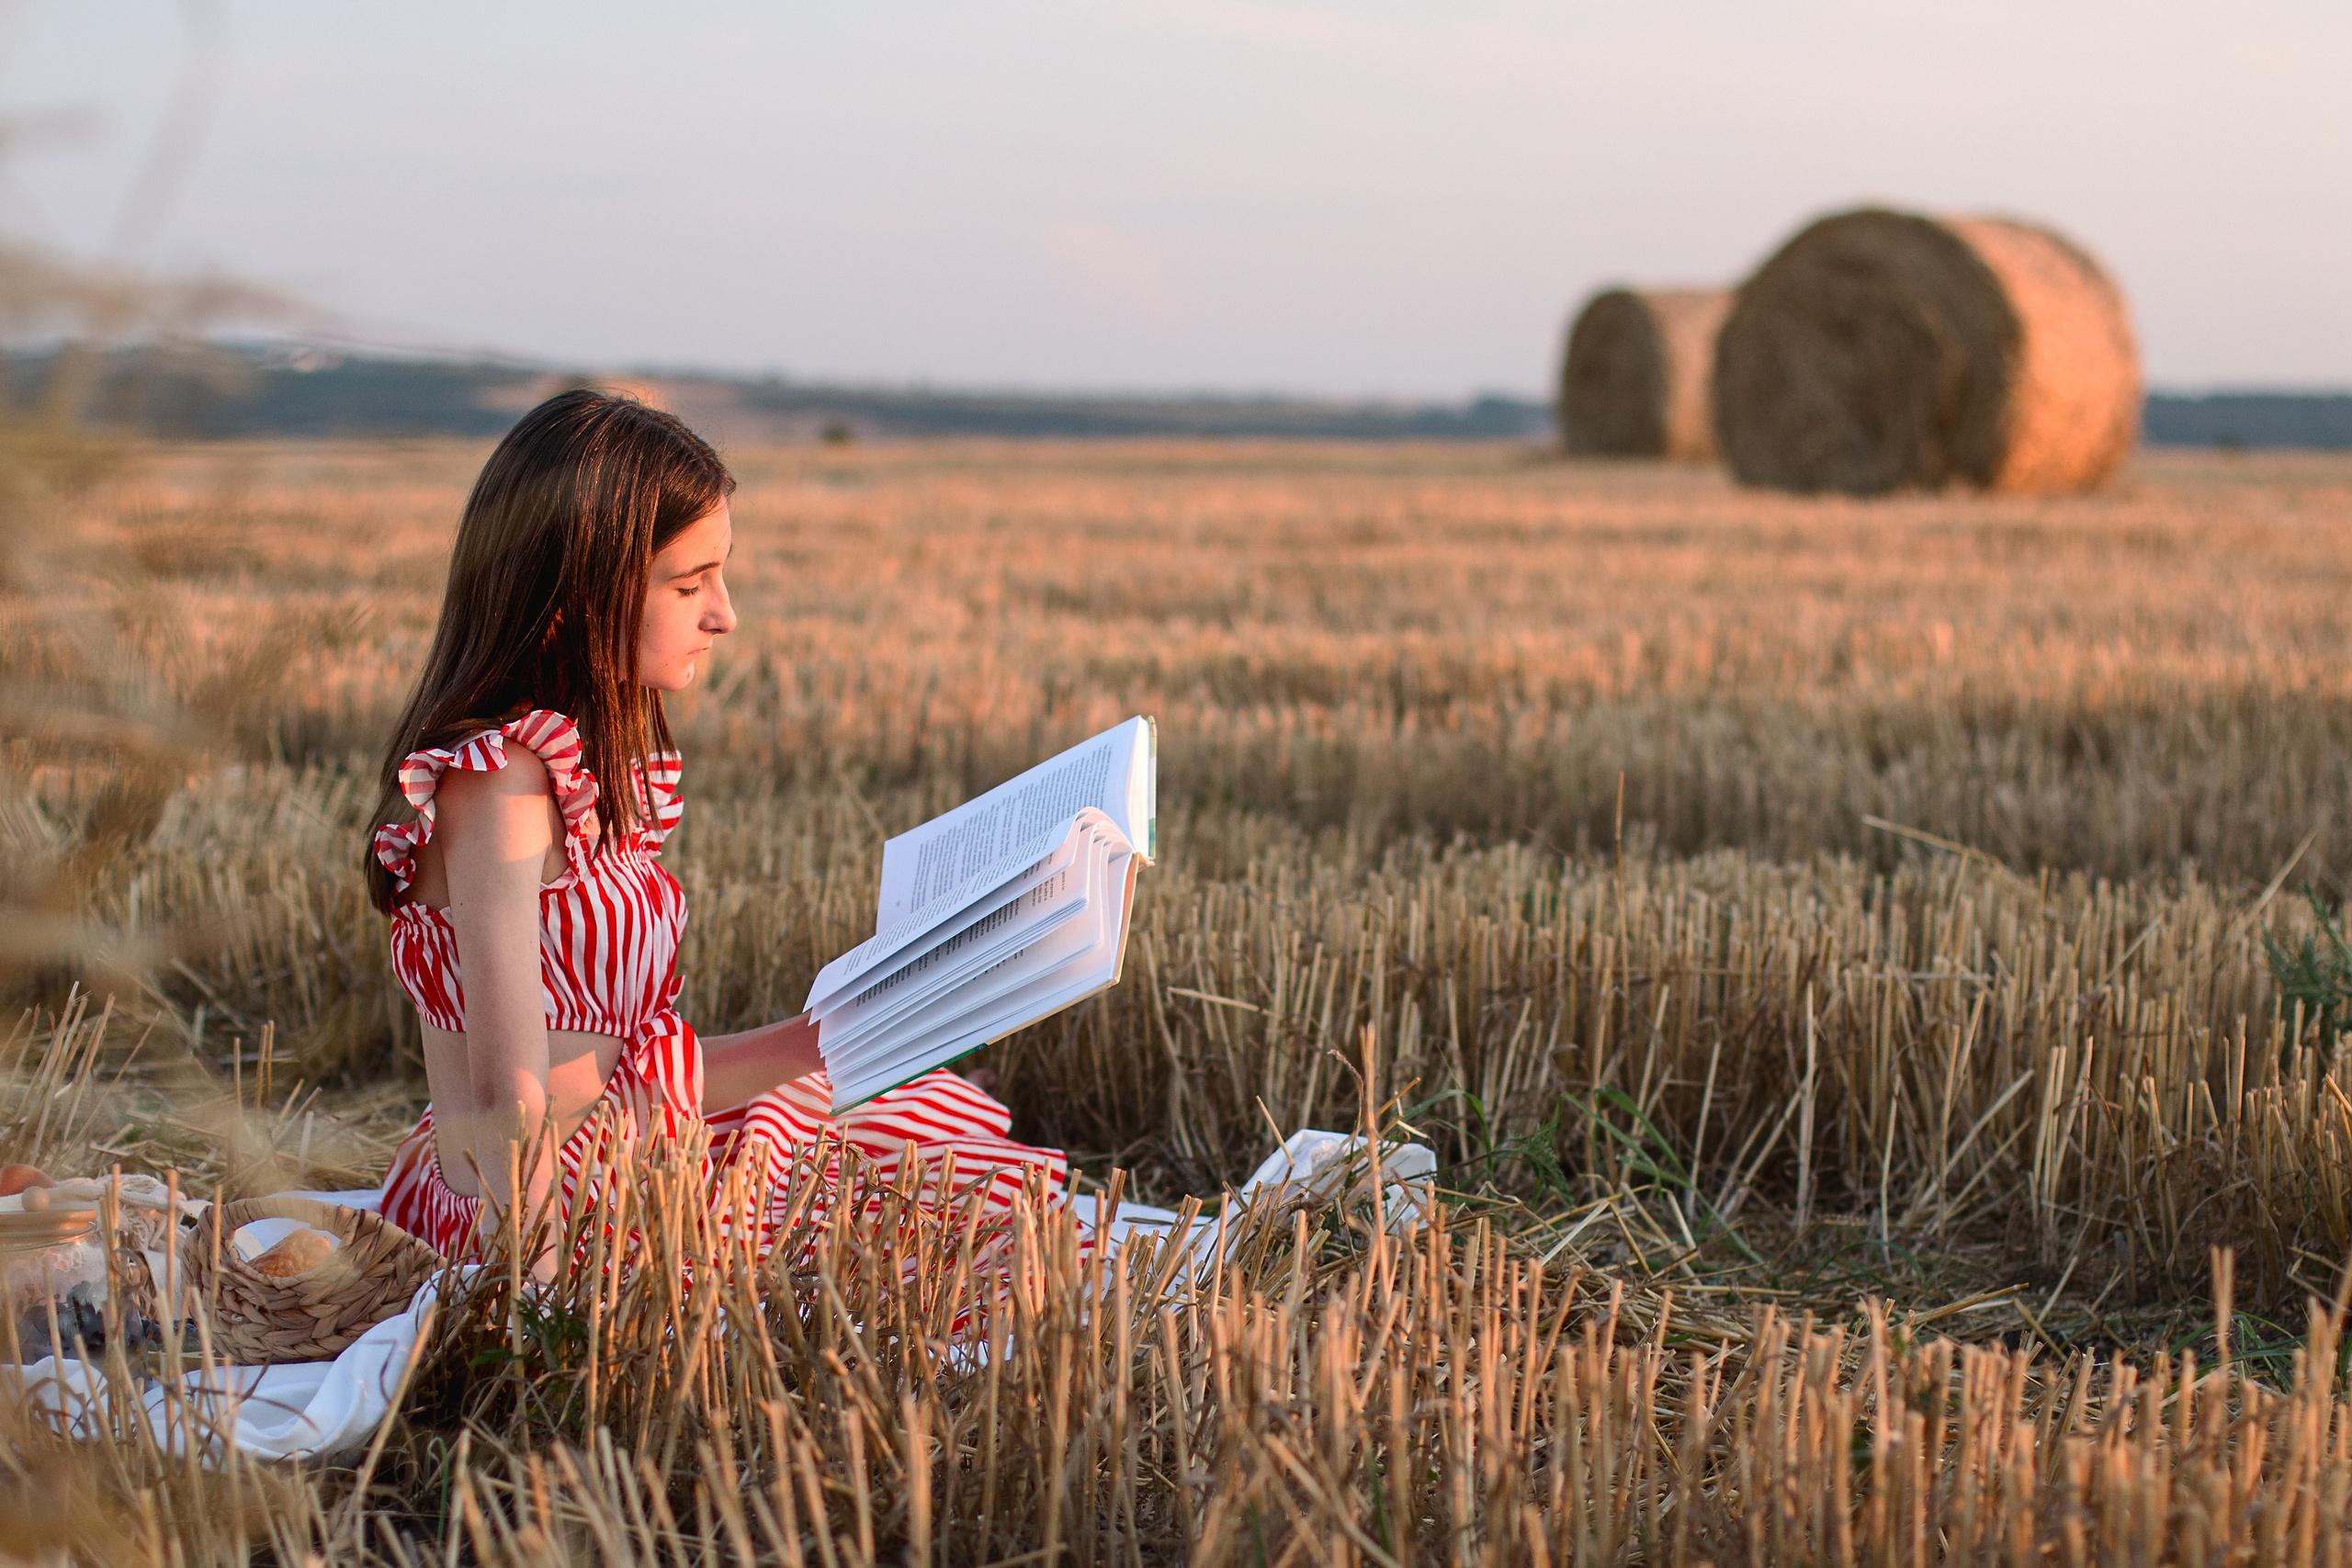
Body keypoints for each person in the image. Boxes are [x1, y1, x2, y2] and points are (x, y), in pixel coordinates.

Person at [369, 389, 1066, 1260]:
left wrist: (842, 1033)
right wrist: (538, 1313)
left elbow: (619, 1070)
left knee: (908, 1121)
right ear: (569, 593)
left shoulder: (566, 769)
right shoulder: (501, 787)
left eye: (720, 575)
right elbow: (520, 1107)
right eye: (688, 583)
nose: (724, 613)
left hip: (621, 1154)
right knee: (935, 1222)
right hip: (572, 1207)